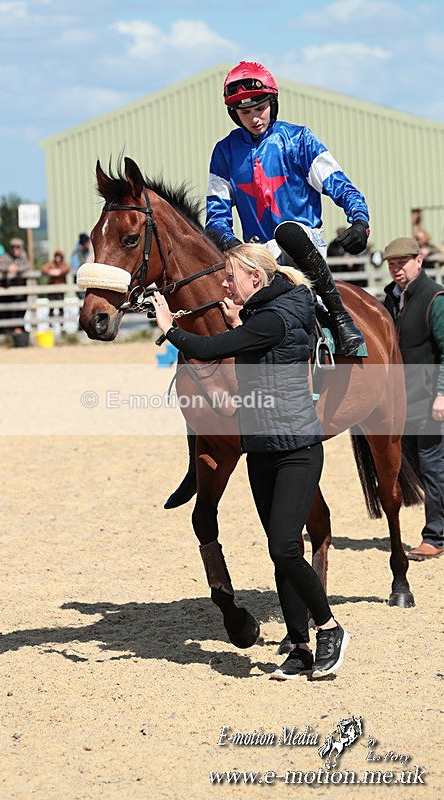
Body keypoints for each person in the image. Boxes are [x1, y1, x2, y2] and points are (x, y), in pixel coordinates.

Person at [167, 59, 370, 510]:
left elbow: (337, 182)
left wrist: (359, 217)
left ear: (271, 102)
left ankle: (339, 319)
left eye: (259, 106)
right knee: (198, 339)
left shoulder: (299, 139)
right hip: (252, 258)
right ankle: (193, 459)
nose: (254, 115)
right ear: (233, 114)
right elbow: (217, 214)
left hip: (300, 253)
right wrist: (236, 251)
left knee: (290, 236)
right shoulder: (224, 153)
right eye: (244, 110)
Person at [152, 243, 350, 678]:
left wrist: (169, 328)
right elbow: (251, 347)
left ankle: (330, 628)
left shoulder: (277, 319)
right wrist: (240, 320)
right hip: (262, 448)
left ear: (255, 280)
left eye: (230, 276)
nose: (222, 282)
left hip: (296, 450)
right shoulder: (263, 316)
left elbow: (212, 347)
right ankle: (299, 647)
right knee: (280, 552)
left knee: (284, 545)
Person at [383, 237, 444, 560]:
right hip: (406, 400)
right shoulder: (392, 299)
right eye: (392, 265)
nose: (397, 270)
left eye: (402, 263)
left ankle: (434, 536)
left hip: (431, 398)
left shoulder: (435, 299)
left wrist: (442, 395)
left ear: (418, 261)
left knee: (433, 467)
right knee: (422, 468)